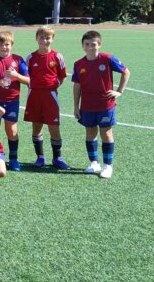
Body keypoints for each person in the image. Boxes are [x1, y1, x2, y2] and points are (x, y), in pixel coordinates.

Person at [72, 30, 129, 179]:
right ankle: (94, 163)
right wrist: (75, 106)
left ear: (99, 44)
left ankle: (107, 165)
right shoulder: (78, 64)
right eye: (87, 44)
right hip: (87, 105)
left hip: (105, 105)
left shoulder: (107, 59)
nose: (91, 47)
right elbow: (77, 86)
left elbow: (126, 72)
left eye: (94, 44)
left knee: (106, 133)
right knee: (90, 133)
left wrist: (119, 92)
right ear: (83, 46)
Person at [0, 30, 29, 171]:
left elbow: (28, 80)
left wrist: (17, 75)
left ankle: (13, 159)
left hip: (12, 100)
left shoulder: (18, 60)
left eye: (7, 44)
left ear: (11, 45)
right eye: (1, 44)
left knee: (12, 131)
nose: (4, 47)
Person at [24, 26, 70, 169]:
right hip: (34, 96)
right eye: (42, 37)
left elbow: (62, 76)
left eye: (48, 38)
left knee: (54, 128)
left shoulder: (57, 56)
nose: (45, 40)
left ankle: (57, 158)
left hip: (50, 96)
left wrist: (53, 86)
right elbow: (26, 77)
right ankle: (40, 157)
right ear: (37, 39)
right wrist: (34, 87)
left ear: (52, 39)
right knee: (36, 126)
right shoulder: (30, 57)